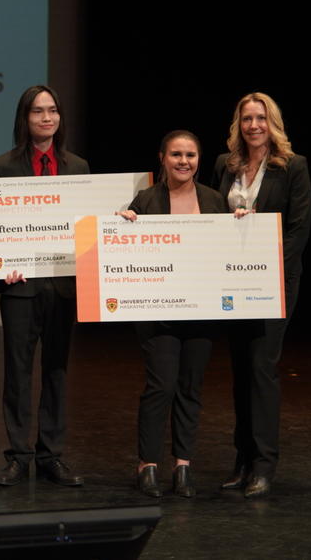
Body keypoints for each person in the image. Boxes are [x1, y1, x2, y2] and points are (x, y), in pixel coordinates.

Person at [0, 84, 88, 488]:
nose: (46, 118)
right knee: (17, 372)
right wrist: (3, 263)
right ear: (24, 119)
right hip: (20, 288)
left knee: (58, 371)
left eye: (52, 111)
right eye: (37, 112)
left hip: (64, 286)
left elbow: (87, 226)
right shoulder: (2, 166)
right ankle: (18, 455)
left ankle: (51, 455)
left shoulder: (78, 168)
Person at [118, 130, 228, 498]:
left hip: (201, 311)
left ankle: (183, 466)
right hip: (157, 312)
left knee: (190, 388)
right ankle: (147, 465)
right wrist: (120, 224)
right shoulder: (147, 200)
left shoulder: (214, 200)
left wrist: (244, 223)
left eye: (191, 155)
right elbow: (123, 248)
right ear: (162, 158)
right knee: (160, 386)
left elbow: (230, 250)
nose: (184, 161)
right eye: (177, 154)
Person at [212, 92, 311, 499]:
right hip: (232, 283)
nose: (254, 125)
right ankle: (242, 460)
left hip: (274, 284)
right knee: (240, 372)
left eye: (261, 118)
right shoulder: (225, 164)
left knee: (262, 370)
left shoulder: (293, 167)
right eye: (247, 118)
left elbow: (299, 229)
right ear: (239, 124)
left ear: (273, 123)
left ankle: (265, 465)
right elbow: (212, 215)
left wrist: (266, 270)